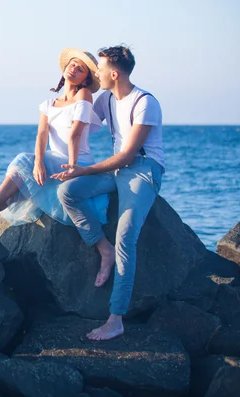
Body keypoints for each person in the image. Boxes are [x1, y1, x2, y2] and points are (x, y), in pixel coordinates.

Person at [0, 48, 108, 247]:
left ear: (86, 78)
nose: (74, 69)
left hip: (75, 162)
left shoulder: (83, 95)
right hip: (53, 160)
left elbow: (75, 134)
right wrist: (39, 163)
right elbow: (42, 134)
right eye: (72, 64)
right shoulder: (49, 104)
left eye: (81, 69)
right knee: (18, 186)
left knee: (23, 162)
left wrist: (72, 166)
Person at [51, 45, 164, 341]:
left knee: (126, 236)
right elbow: (80, 123)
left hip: (142, 170)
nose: (96, 74)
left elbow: (127, 156)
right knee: (68, 192)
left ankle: (116, 319)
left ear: (113, 74)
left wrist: (84, 169)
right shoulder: (105, 98)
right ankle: (103, 248)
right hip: (116, 172)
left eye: (99, 70)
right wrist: (70, 90)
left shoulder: (145, 102)